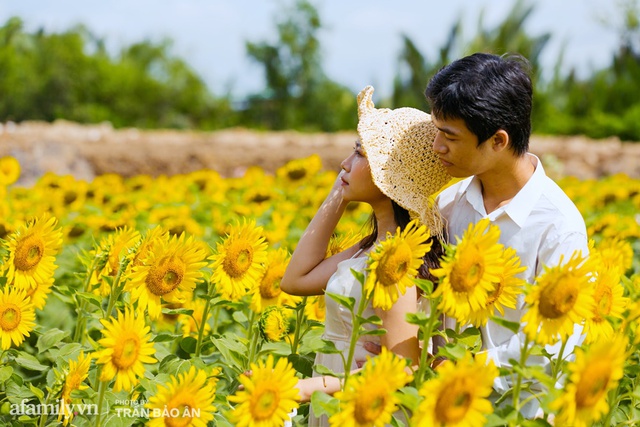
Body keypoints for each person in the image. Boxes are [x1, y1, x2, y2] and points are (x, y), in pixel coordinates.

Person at [425, 52, 589, 417]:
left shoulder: (557, 225)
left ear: (498, 141)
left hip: (520, 412)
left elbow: (555, 342)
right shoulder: (450, 204)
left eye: (449, 136)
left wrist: (465, 372)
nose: (437, 146)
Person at [279, 85, 451, 425]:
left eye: (360, 153)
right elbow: (294, 280)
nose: (344, 163)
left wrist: (313, 386)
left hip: (363, 409)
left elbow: (404, 371)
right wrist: (339, 194)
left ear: (389, 175)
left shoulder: (397, 262)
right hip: (342, 400)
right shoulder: (370, 247)